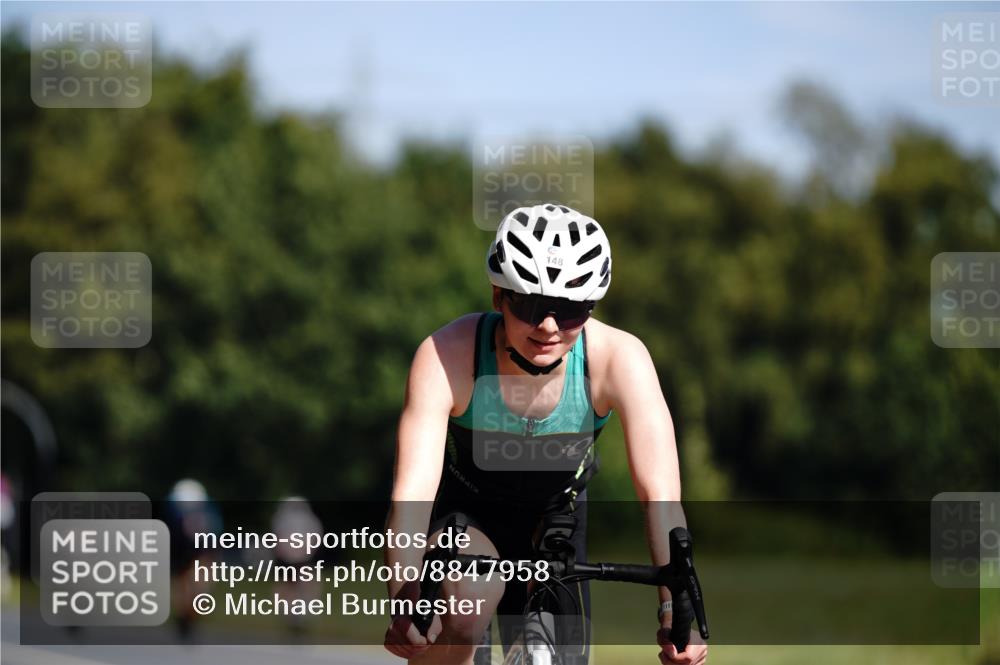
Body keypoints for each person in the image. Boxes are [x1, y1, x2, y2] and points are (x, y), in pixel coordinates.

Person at [383, 204, 708, 665]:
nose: (550, 326)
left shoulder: (619, 358)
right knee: (465, 601)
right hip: (467, 518)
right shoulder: (447, 354)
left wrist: (677, 611)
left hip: (555, 526)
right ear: (499, 296)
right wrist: (405, 594)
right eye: (531, 306)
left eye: (572, 310)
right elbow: (411, 494)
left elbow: (660, 496)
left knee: (551, 657)